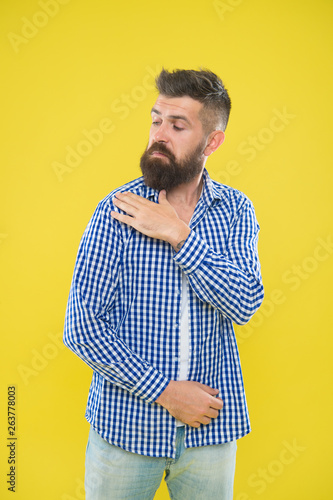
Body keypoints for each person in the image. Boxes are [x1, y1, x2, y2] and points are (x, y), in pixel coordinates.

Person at [63, 68, 264, 500]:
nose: (160, 135)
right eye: (156, 120)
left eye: (178, 125)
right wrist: (166, 393)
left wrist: (179, 235)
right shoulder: (116, 211)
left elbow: (245, 303)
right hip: (124, 431)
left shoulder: (235, 212)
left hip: (209, 434)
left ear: (212, 141)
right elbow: (81, 328)